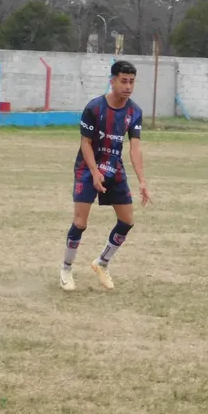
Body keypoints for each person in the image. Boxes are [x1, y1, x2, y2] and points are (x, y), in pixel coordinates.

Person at [60, 60, 151, 292]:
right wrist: (94, 172)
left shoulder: (135, 111)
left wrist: (142, 180)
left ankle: (102, 263)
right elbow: (86, 143)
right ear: (112, 81)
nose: (128, 86)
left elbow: (135, 148)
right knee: (80, 223)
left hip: (114, 168)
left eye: (131, 82)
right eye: (123, 81)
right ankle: (66, 269)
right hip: (87, 168)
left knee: (127, 221)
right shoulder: (94, 108)